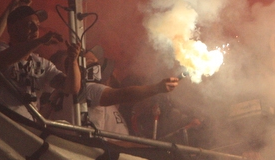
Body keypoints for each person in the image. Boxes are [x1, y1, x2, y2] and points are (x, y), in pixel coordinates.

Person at [45, 48, 179, 134]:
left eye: (97, 61)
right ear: (77, 68)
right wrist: (157, 88)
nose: (97, 65)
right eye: (91, 61)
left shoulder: (57, 93)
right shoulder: (87, 89)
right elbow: (123, 95)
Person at [0, 5, 80, 118]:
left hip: (26, 127)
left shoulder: (43, 64)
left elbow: (71, 88)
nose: (36, 29)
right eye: (29, 25)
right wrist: (40, 41)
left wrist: (73, 60)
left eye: (37, 25)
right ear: (12, 29)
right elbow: (1, 61)